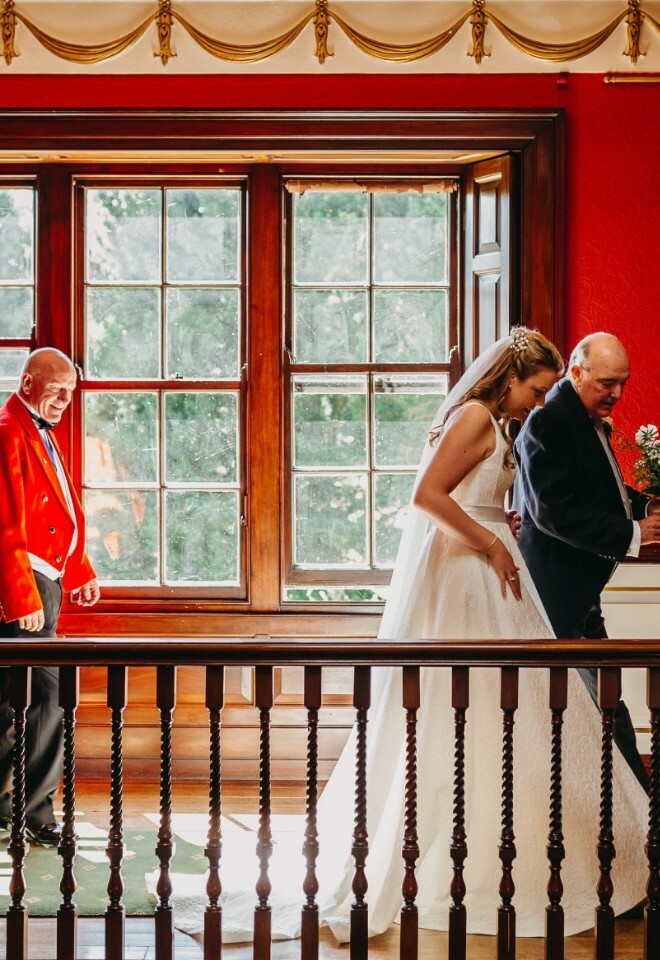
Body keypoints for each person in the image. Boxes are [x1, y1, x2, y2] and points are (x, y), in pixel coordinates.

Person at [161, 328, 649, 944]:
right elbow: (426, 497)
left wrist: (502, 525)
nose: (536, 403)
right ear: (510, 377)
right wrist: (492, 541)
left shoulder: (499, 422)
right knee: (471, 707)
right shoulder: (476, 416)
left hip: (489, 568)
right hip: (470, 571)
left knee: (509, 713)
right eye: (534, 389)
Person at [514, 332, 660, 792]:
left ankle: (639, 815)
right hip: (556, 597)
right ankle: (641, 820)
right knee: (598, 712)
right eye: (607, 383)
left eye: (623, 383)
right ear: (575, 373)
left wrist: (644, 506)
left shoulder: (581, 416)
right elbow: (553, 512)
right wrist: (635, 532)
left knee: (608, 709)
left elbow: (603, 492)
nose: (616, 394)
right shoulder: (548, 422)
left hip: (578, 597)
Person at [0, 348, 100, 846]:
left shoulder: (32, 427)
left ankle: (8, 806)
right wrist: (23, 599)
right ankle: (32, 813)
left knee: (16, 701)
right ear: (26, 384)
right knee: (48, 698)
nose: (65, 400)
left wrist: (77, 568)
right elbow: (5, 526)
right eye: (57, 389)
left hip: (45, 582)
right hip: (25, 588)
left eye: (71, 392)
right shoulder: (6, 431)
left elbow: (58, 509)